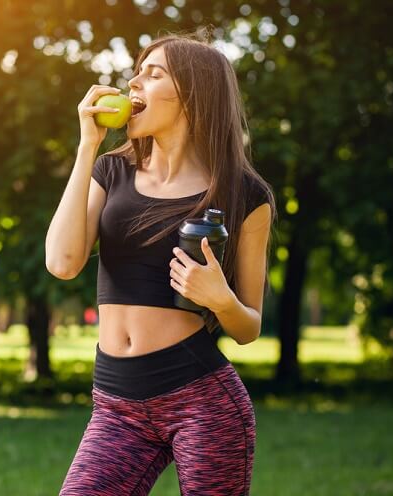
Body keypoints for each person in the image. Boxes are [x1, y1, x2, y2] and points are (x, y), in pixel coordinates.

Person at [45, 30, 277, 496]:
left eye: (152, 75)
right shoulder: (112, 170)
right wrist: (87, 146)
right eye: (136, 72)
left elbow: (248, 327)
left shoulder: (246, 195)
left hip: (202, 401)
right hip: (117, 404)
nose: (133, 84)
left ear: (193, 95)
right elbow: (63, 261)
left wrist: (219, 299)